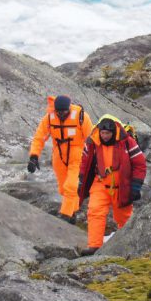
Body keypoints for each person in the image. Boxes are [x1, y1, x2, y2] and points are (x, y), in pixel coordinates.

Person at [77, 114, 146, 255]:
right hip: (100, 183)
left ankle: (127, 247)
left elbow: (140, 164)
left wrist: (135, 186)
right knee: (94, 211)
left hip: (122, 186)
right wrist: (81, 181)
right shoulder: (92, 142)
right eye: (102, 133)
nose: (104, 136)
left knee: (124, 218)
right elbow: (85, 162)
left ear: (113, 132)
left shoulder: (127, 142)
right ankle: (94, 246)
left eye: (107, 133)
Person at [28, 95, 92, 223]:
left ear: (69, 108)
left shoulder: (81, 116)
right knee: (63, 188)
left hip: (77, 154)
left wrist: (94, 161)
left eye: (64, 111)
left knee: (71, 186)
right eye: (59, 111)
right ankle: (73, 212)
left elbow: (92, 138)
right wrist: (34, 157)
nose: (62, 114)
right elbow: (39, 138)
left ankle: (65, 214)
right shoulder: (49, 118)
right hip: (59, 155)